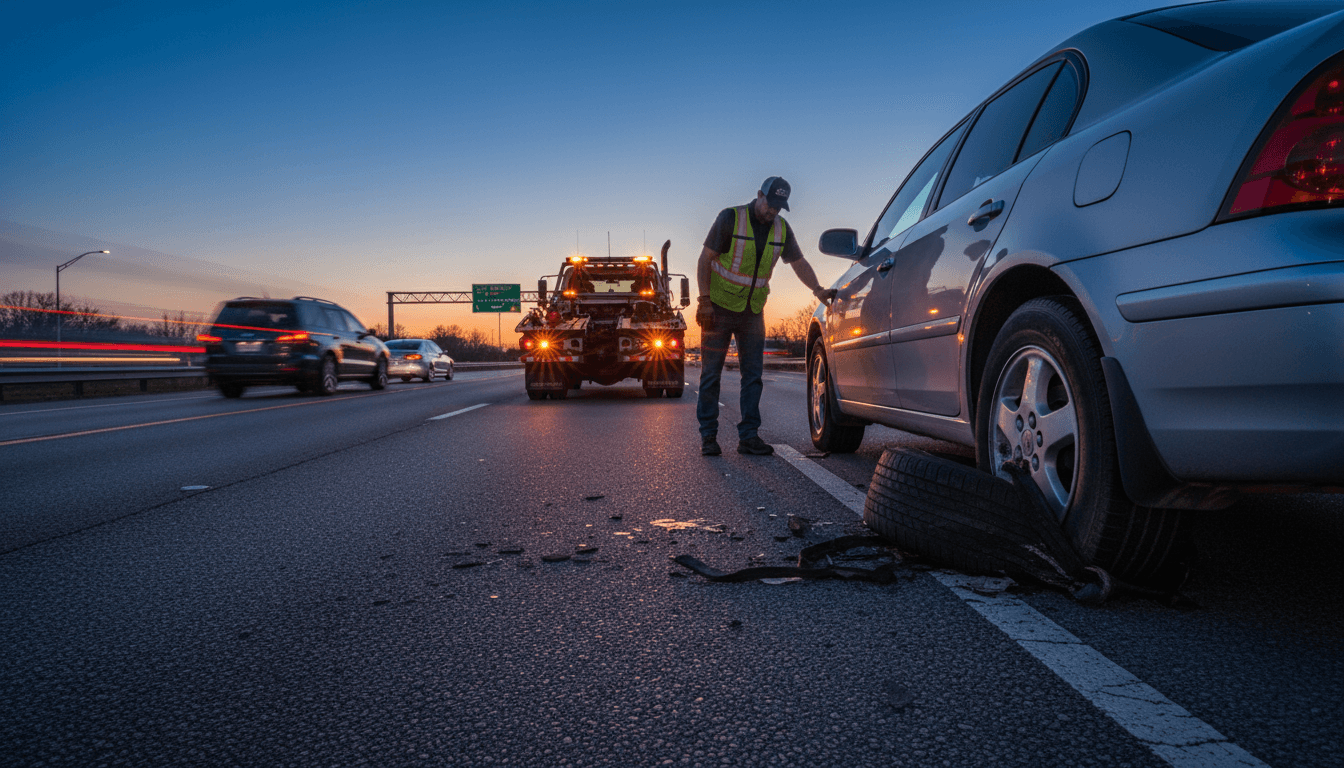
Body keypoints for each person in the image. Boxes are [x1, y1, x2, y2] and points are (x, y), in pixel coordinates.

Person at [695, 176, 836, 456]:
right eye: (770, 204)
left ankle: (748, 436)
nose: (772, 211)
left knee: (753, 376)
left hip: (752, 312)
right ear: (759, 195)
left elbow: (799, 262)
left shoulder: (782, 229)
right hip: (719, 309)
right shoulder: (730, 218)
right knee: (711, 375)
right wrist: (704, 301)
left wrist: (818, 289)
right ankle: (708, 437)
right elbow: (705, 259)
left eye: (779, 207)